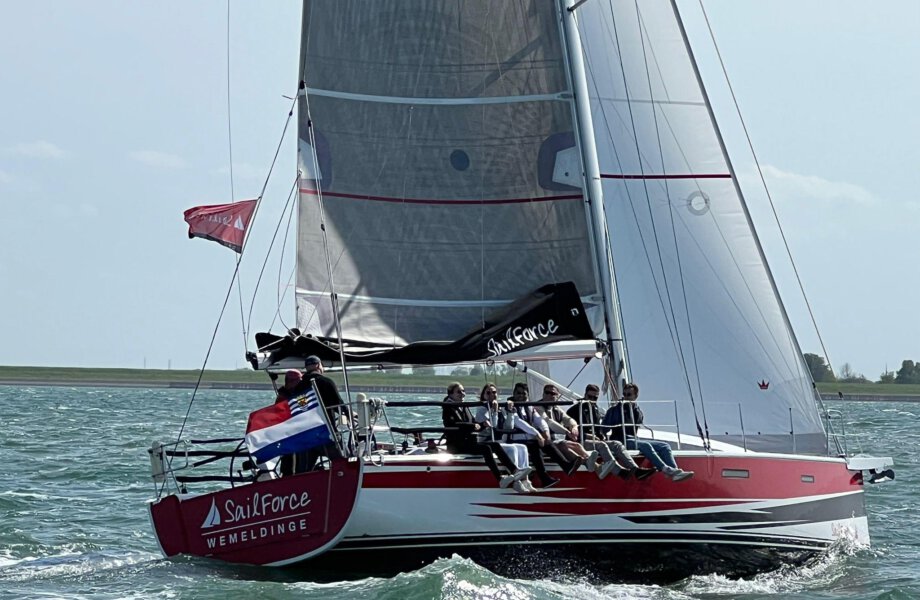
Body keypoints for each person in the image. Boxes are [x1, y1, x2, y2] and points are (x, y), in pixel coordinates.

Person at [441, 382, 533, 492]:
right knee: (486, 448)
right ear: (450, 394)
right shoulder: (448, 407)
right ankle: (500, 478)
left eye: (463, 391)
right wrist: (473, 425)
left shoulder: (463, 406)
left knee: (494, 445)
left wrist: (482, 424)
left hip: (469, 441)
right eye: (459, 392)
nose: (462, 394)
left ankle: (515, 470)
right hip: (457, 444)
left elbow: (475, 423)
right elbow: (452, 424)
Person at [602, 383, 694, 482]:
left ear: (635, 396)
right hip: (621, 439)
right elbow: (604, 428)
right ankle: (665, 469)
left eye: (629, 395)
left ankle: (674, 472)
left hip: (633, 439)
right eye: (624, 394)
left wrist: (632, 408)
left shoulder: (636, 410)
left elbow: (639, 420)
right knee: (645, 445)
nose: (626, 397)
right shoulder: (614, 410)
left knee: (665, 446)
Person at [567, 384, 656, 481]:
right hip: (580, 441)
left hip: (595, 440)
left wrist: (601, 436)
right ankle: (620, 472)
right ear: (585, 394)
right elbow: (570, 432)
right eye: (590, 397)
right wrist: (590, 436)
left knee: (616, 444)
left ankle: (636, 469)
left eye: (595, 398)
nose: (592, 400)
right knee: (601, 445)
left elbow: (598, 430)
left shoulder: (595, 410)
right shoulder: (574, 410)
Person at [286, 355, 345, 473]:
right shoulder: (327, 382)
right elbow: (339, 404)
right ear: (319, 365)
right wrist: (351, 416)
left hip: (307, 436)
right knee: (343, 464)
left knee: (303, 472)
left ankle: (302, 490)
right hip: (327, 434)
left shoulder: (299, 386)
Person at [475, 383, 535, 492]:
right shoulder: (482, 410)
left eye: (494, 392)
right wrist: (493, 412)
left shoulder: (500, 408)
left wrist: (510, 413)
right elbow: (492, 426)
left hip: (499, 441)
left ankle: (525, 480)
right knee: (512, 449)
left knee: (522, 447)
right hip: (489, 441)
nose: (492, 395)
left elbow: (508, 427)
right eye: (488, 393)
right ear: (483, 395)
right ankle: (516, 481)